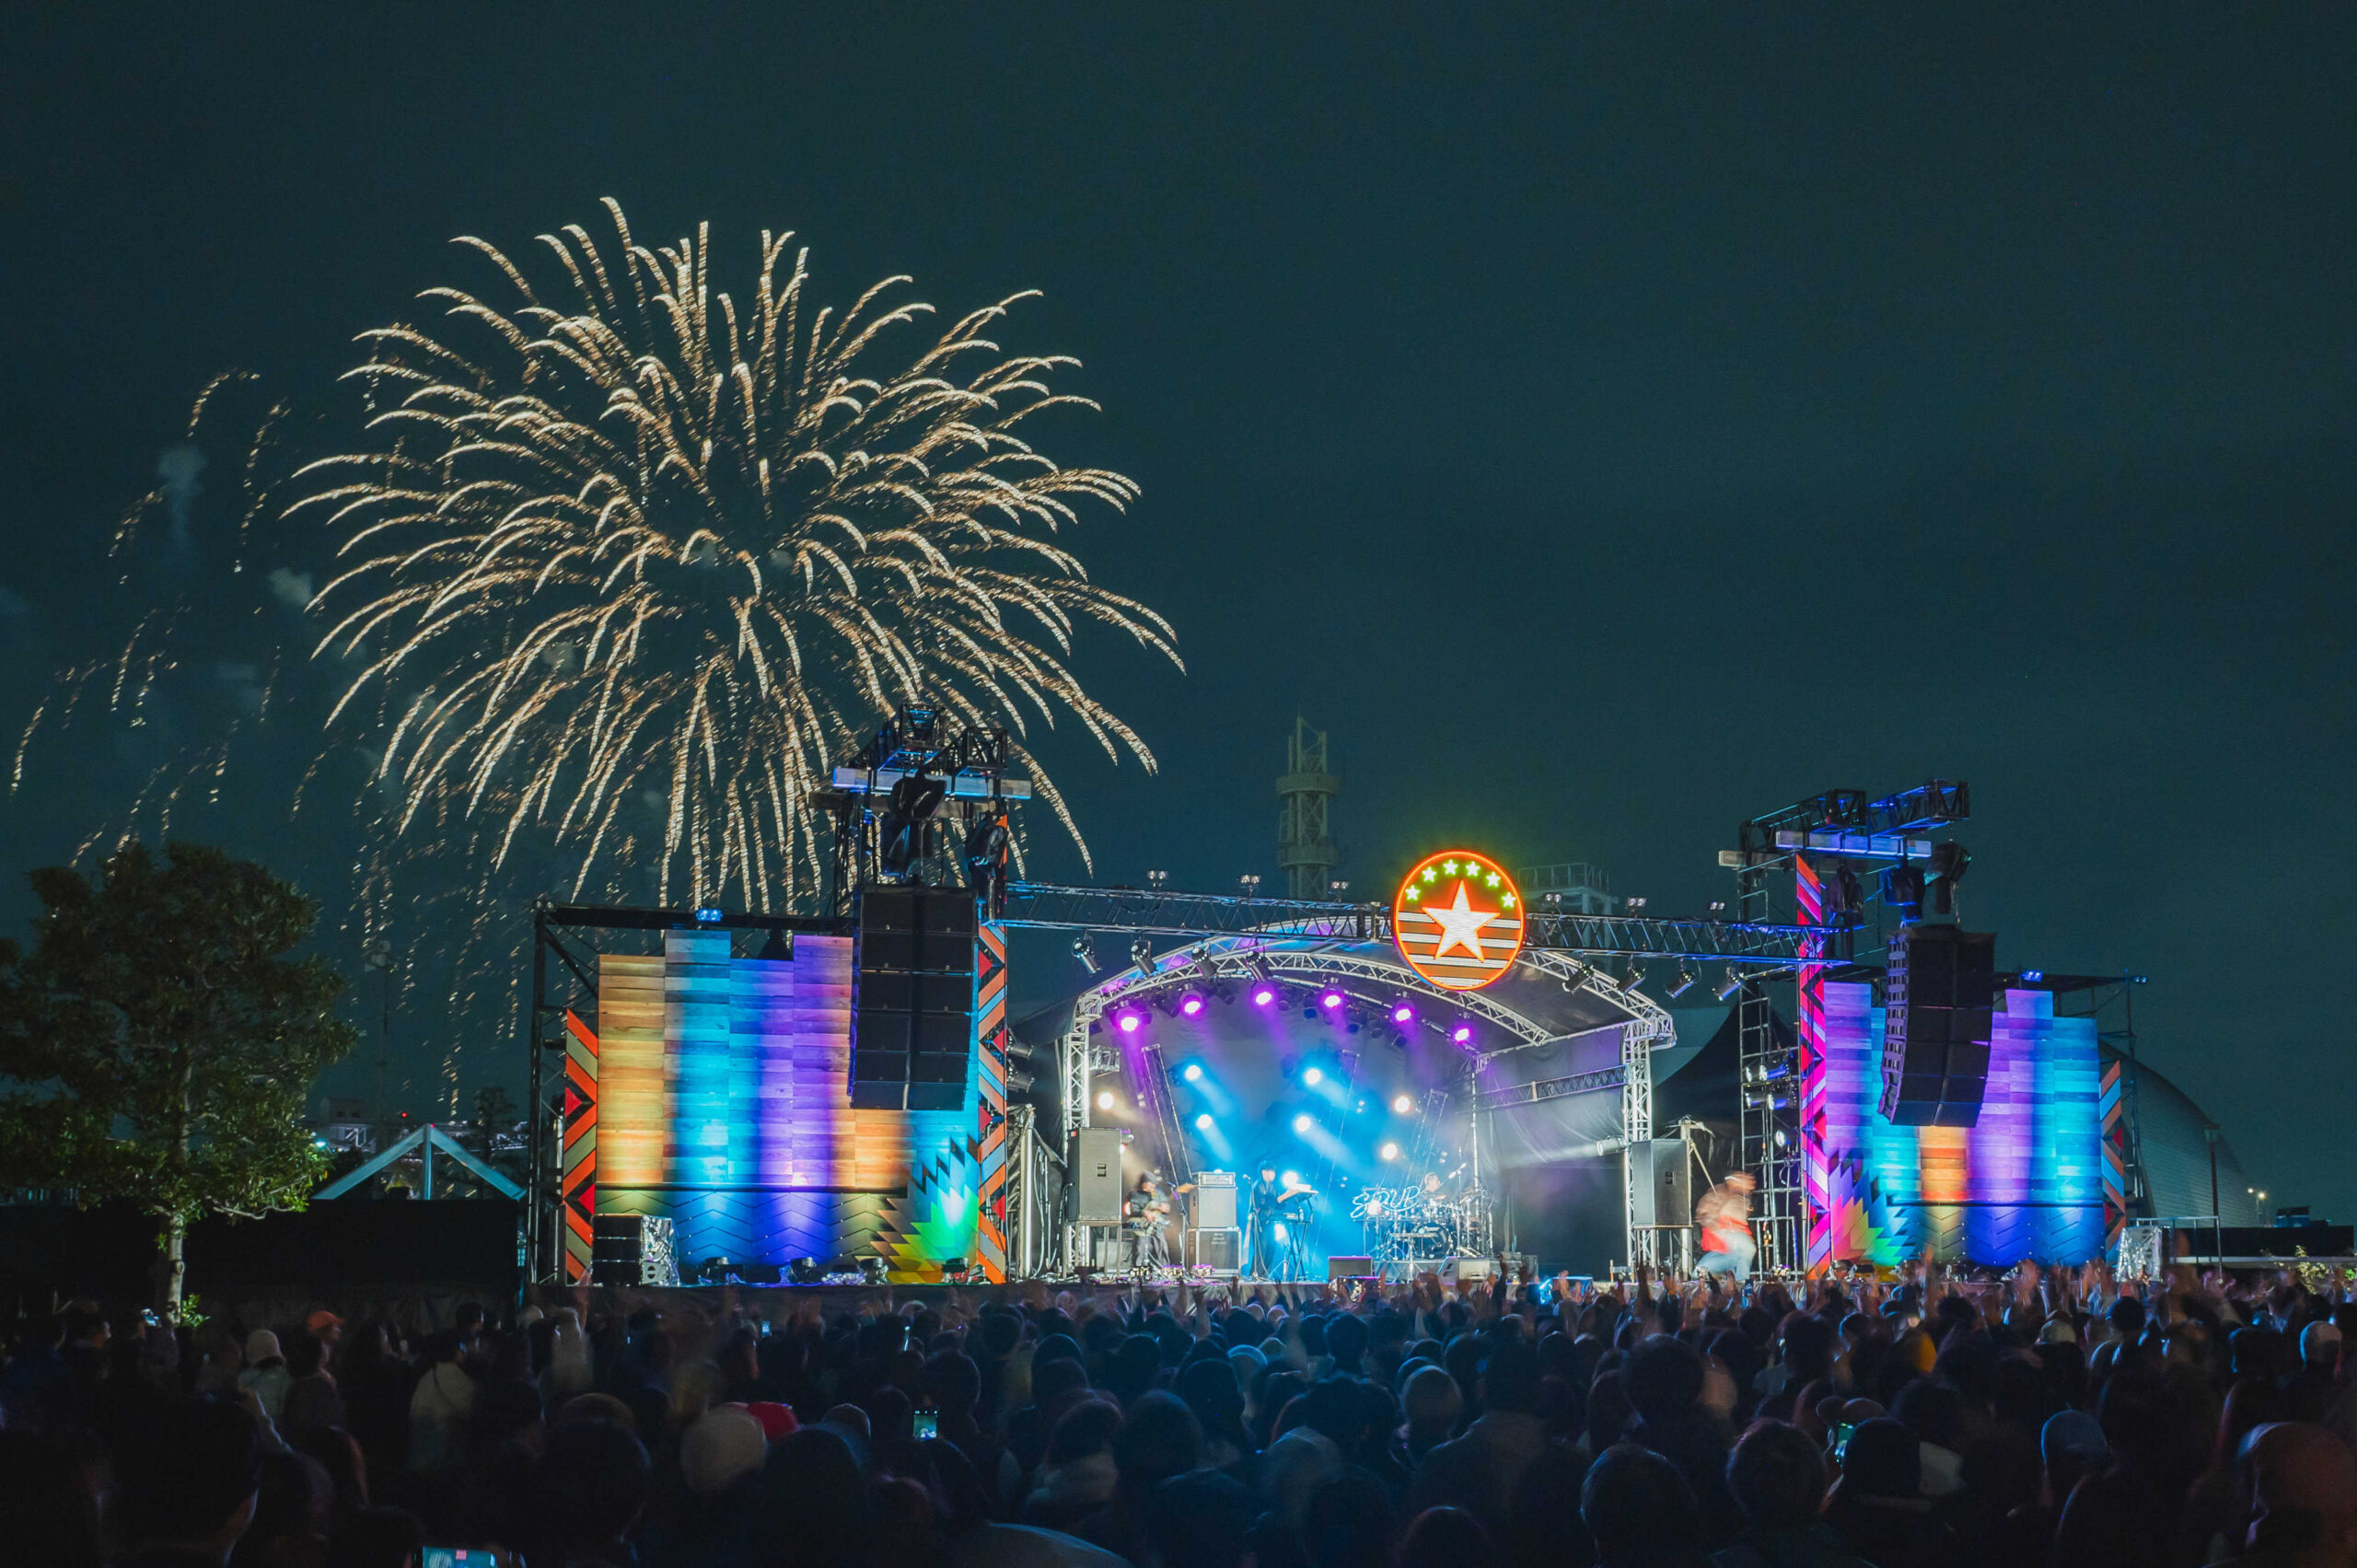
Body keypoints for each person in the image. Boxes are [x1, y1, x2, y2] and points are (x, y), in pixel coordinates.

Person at [1695, 1172, 1758, 1283]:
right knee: (1745, 1250)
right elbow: (1706, 1210)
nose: (1751, 1185)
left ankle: (1702, 1269)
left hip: (1734, 1230)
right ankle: (1741, 1280)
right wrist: (1715, 1224)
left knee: (1731, 1254)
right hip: (1725, 1228)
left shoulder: (1742, 1196)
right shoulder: (1723, 1191)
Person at [1247, 1166, 1283, 1280]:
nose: (1274, 1174)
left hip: (1270, 1222)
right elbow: (1262, 1203)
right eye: (1271, 1171)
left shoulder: (1273, 1187)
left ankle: (1264, 1276)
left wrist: (1285, 1198)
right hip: (1260, 1222)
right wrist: (1276, 1200)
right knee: (1261, 1250)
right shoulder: (1258, 1186)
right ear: (1264, 1172)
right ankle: (1254, 1275)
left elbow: (1279, 1204)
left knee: (1271, 1248)